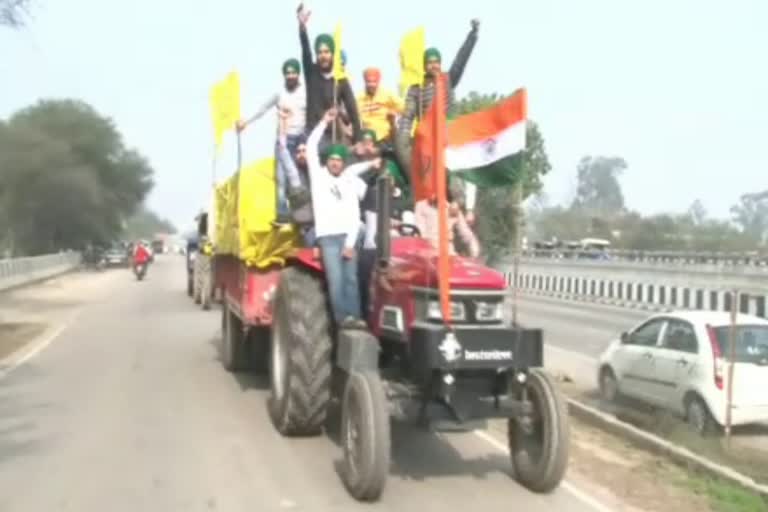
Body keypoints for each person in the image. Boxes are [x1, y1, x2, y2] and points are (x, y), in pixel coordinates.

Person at [306, 108, 382, 329]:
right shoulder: (318, 177)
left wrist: (350, 243)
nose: (336, 163)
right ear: (327, 161)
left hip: (348, 238)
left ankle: (356, 318)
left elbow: (352, 214)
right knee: (336, 281)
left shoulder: (348, 180)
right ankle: (343, 320)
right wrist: (323, 122)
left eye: (340, 160)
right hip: (328, 238)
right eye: (332, 159)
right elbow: (311, 148)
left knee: (351, 281)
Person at [236, 58, 308, 223]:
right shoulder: (279, 93)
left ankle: (303, 215)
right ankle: (282, 214)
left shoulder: (306, 93)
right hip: (283, 140)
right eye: (287, 73)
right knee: (281, 179)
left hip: (300, 141)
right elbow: (262, 109)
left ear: (298, 74)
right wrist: (246, 121)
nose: (290, 76)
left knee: (300, 180)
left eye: (293, 73)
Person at [297, 4, 362, 148]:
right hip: (313, 134)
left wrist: (358, 140)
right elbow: (305, 50)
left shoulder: (340, 80)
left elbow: (353, 111)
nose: (323, 56)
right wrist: (302, 28)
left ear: (332, 54)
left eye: (326, 52)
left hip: (332, 134)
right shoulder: (311, 72)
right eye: (320, 52)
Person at [414, 197, 480, 258]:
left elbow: (466, 234)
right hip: (429, 253)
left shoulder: (452, 209)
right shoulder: (421, 206)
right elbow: (421, 233)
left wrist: (475, 252)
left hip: (448, 253)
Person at [357, 67, 404, 145]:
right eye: (369, 82)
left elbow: (405, 109)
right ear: (365, 82)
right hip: (366, 138)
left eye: (374, 81)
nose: (372, 84)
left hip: (385, 137)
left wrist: (394, 113)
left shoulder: (387, 94)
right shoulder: (359, 98)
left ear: (378, 82)